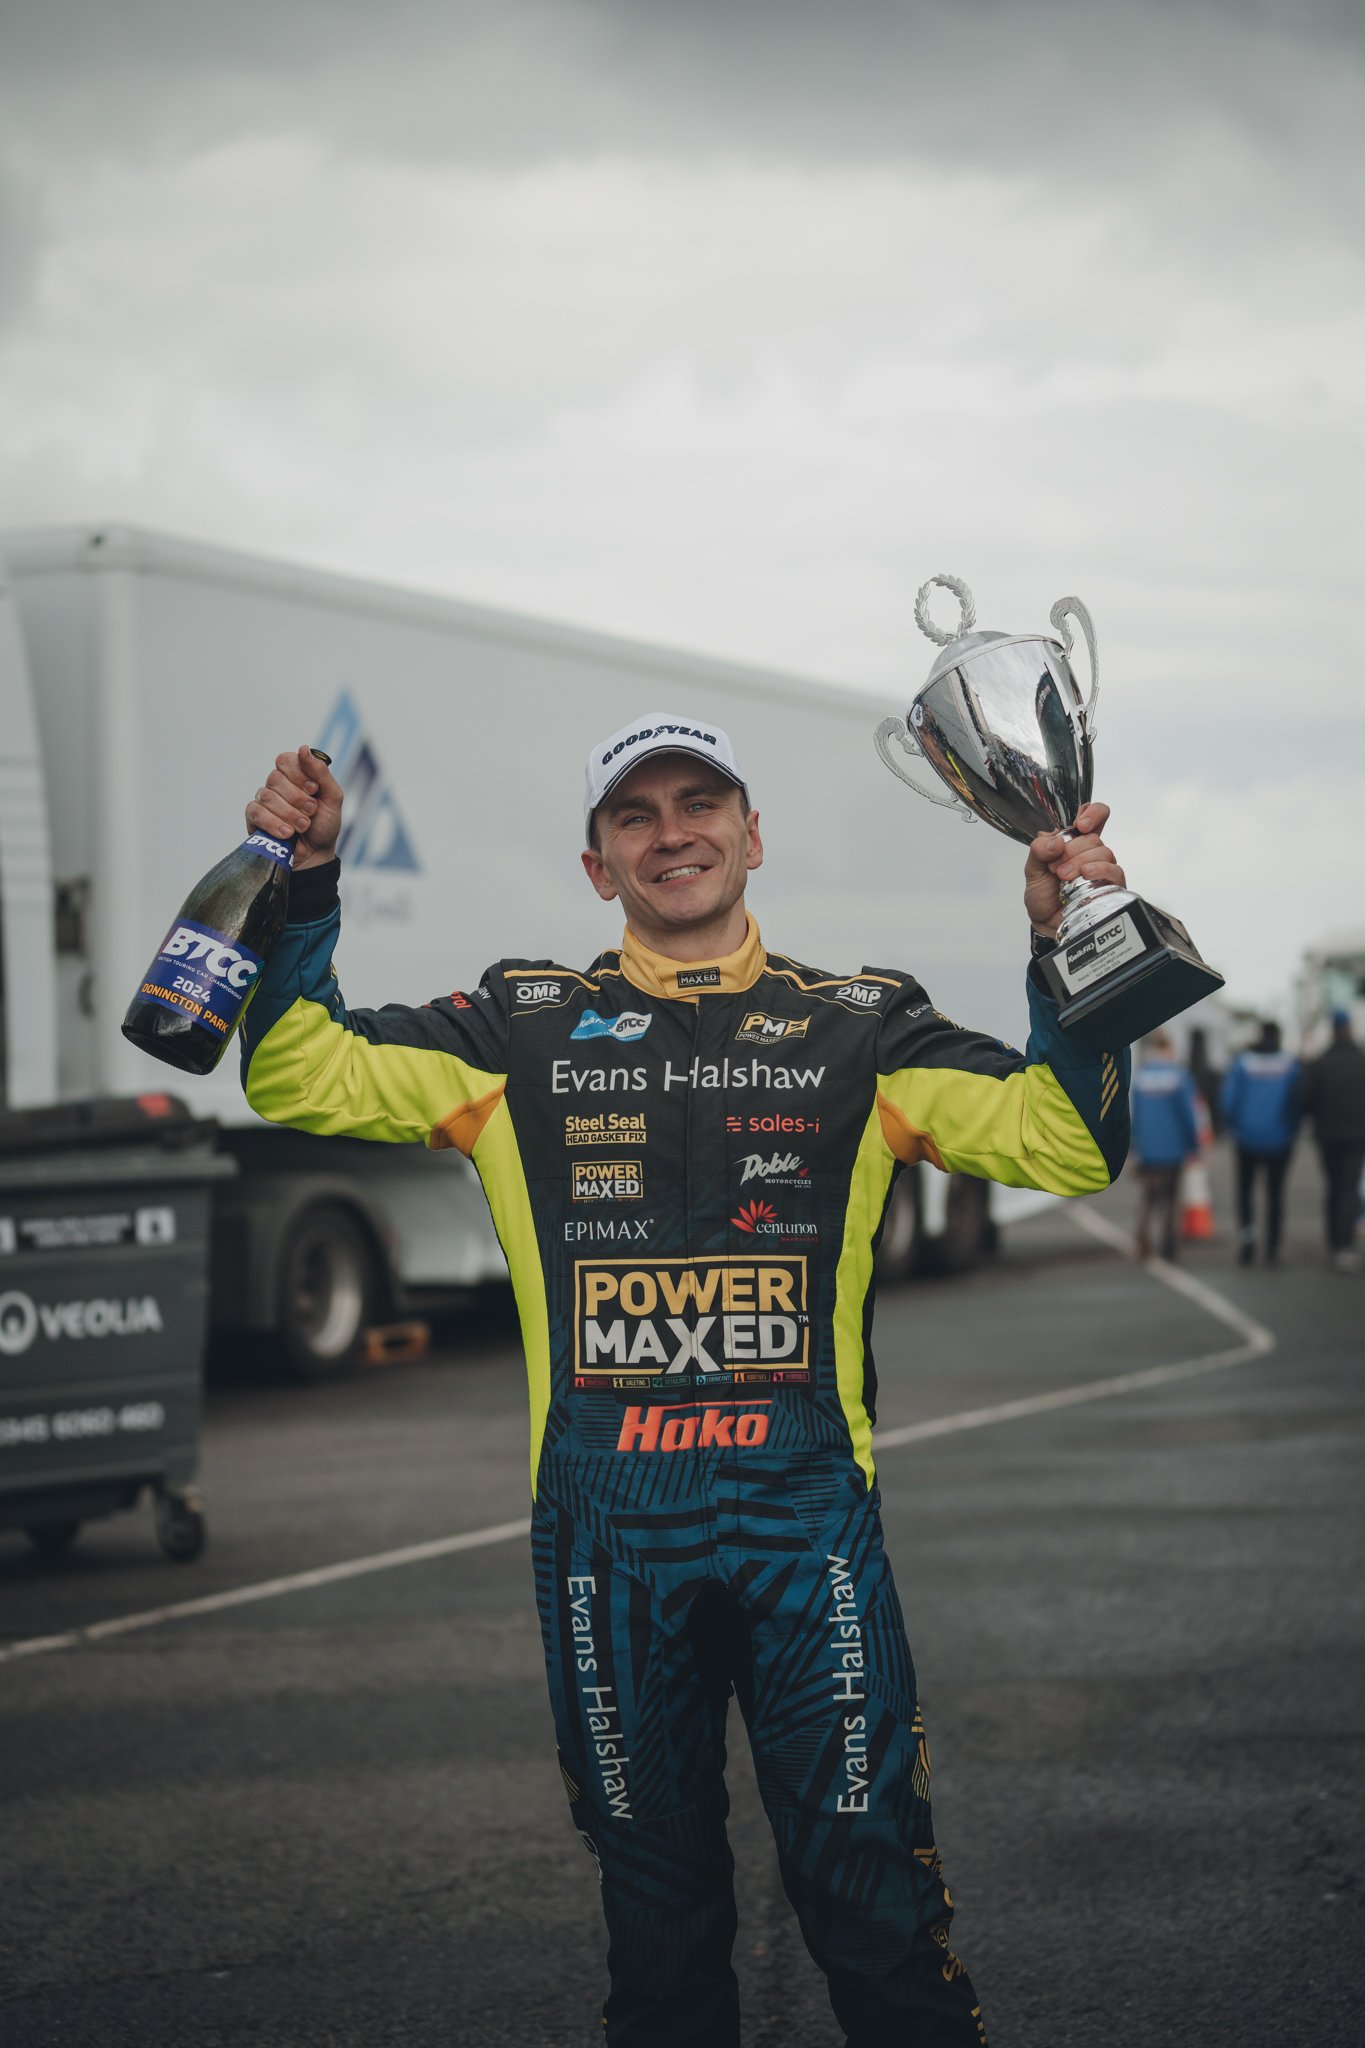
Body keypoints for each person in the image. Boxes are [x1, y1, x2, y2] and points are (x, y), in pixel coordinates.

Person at [239, 717, 1132, 2048]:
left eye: (699, 803)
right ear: (599, 866)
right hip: (608, 1545)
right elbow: (293, 1069)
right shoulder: (511, 1029)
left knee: (876, 1910)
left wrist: (1068, 951)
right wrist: (301, 885)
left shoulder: (862, 1025)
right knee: (659, 1935)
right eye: (636, 816)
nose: (673, 834)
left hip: (805, 1529)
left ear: (752, 836)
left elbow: (1063, 1142)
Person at [1221, 1022, 1301, 1267]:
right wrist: (1291, 1130)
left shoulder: (1243, 1063)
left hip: (1247, 1139)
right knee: (1275, 1194)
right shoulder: (1290, 1066)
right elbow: (1297, 1103)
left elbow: (1228, 1101)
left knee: (1246, 1193)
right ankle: (1273, 1248)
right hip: (1279, 1139)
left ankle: (1248, 1241)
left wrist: (1233, 1126)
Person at [1300, 1011, 1365, 1272]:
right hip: (1358, 1135)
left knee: (1334, 1186)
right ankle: (1345, 1244)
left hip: (1327, 1135)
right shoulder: (1361, 1061)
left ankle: (1334, 1240)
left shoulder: (1321, 1062)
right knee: (1349, 1188)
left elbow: (1305, 1099)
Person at [1128, 1031, 1201, 1260]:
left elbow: (1134, 1116)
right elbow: (1188, 1115)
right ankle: (1169, 1243)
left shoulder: (1140, 1077)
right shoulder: (1179, 1076)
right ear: (1168, 1048)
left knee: (1149, 1196)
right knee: (1171, 1197)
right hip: (1173, 1147)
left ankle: (1142, 1239)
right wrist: (1194, 1146)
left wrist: (1136, 1145)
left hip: (1149, 1149)